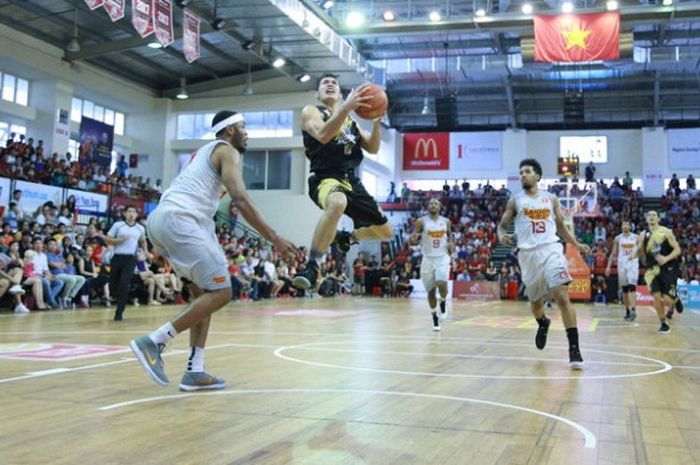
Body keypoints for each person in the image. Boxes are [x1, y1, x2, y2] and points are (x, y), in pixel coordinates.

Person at [129, 110, 297, 391]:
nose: (247, 132)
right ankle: (155, 341)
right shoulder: (227, 150)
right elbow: (240, 199)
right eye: (243, 126)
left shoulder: (204, 155)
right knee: (223, 291)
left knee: (204, 295)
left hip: (164, 220)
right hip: (181, 220)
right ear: (229, 129)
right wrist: (275, 238)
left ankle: (195, 370)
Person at [291, 74, 393, 291]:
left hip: (351, 181)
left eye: (334, 83)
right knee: (337, 203)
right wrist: (345, 108)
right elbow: (322, 134)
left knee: (387, 233)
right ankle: (312, 265)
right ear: (317, 94)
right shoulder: (311, 111)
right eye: (324, 83)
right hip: (325, 177)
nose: (329, 84)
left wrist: (376, 122)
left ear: (340, 94)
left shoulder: (351, 122)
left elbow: (373, 148)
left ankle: (348, 237)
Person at [498, 159, 591, 369]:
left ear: (537, 176)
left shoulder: (551, 199)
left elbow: (560, 227)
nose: (523, 175)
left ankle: (574, 348)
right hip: (528, 256)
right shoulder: (515, 201)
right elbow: (502, 226)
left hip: (551, 250)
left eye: (527, 172)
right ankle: (543, 322)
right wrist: (502, 236)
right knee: (536, 304)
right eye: (521, 172)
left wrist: (576, 244)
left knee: (561, 295)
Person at [410, 198, 453, 332]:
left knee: (441, 282)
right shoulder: (421, 221)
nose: (433, 205)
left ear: (440, 207)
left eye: (435, 203)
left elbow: (450, 236)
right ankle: (434, 315)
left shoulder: (446, 221)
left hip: (442, 257)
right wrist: (413, 239)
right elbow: (414, 239)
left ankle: (443, 301)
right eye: (431, 203)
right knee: (430, 291)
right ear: (428, 207)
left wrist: (451, 244)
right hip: (427, 258)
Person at [638, 210, 681, 334]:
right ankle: (663, 323)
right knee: (656, 296)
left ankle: (675, 299)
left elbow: (677, 250)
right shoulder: (642, 235)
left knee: (668, 299)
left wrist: (666, 258)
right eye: (649, 215)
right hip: (652, 269)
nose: (651, 217)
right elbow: (641, 252)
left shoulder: (666, 232)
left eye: (654, 215)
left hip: (668, 267)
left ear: (658, 219)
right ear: (647, 219)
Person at [101, 206, 147, 321]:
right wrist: (120, 240)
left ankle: (119, 312)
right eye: (129, 211)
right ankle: (117, 296)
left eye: (134, 212)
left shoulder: (140, 228)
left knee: (124, 284)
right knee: (112, 285)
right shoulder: (118, 225)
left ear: (136, 214)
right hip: (117, 257)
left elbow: (142, 240)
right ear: (125, 214)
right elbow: (107, 239)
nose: (131, 214)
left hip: (130, 259)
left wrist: (145, 251)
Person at [606, 221, 639, 321]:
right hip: (622, 265)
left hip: (633, 264)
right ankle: (627, 311)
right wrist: (608, 266)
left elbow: (641, 250)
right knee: (625, 290)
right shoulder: (618, 238)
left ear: (630, 226)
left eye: (627, 224)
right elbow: (613, 253)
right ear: (621, 227)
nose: (625, 226)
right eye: (623, 224)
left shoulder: (636, 237)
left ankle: (633, 310)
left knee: (632, 287)